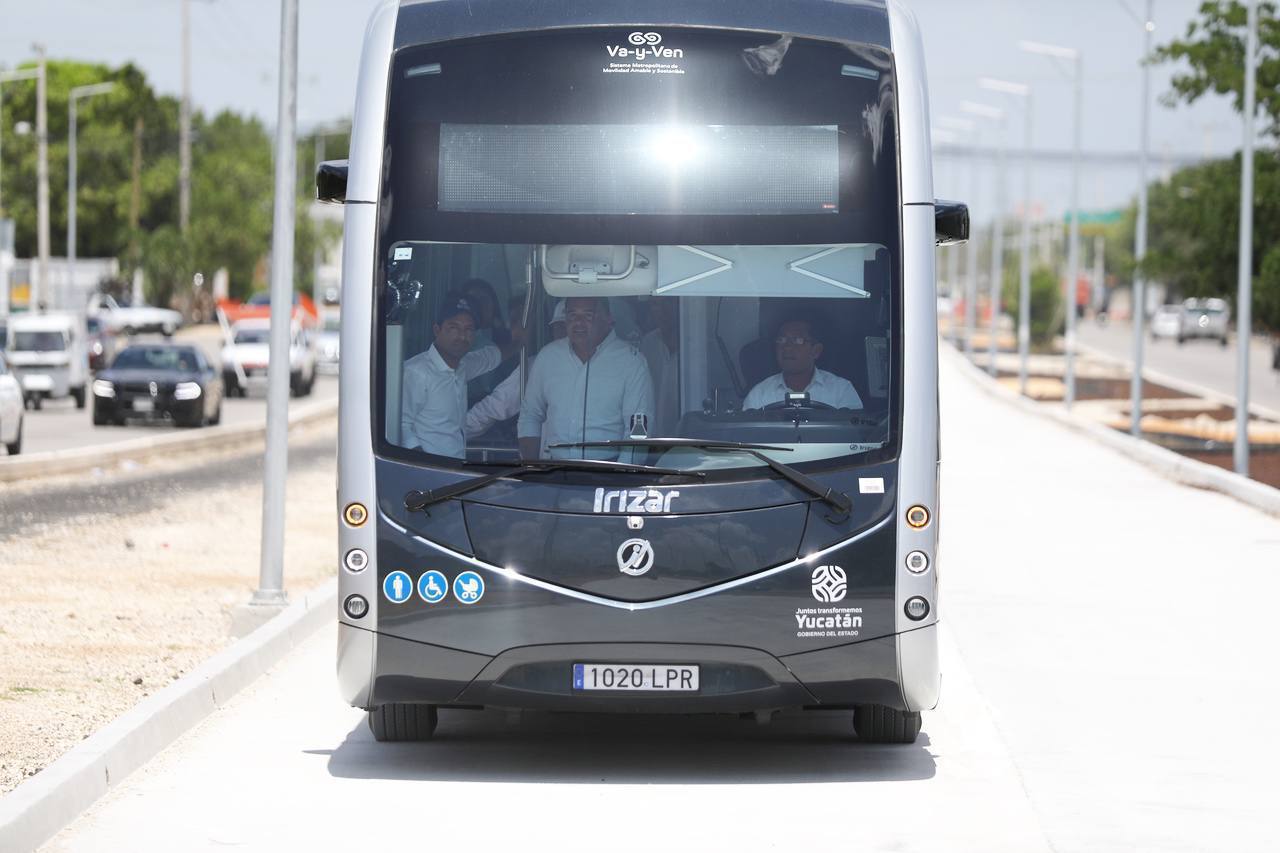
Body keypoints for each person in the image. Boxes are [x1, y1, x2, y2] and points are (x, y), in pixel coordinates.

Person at [517, 296, 653, 459]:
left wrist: (621, 476)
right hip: (554, 473)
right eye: (572, 315)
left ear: (608, 319)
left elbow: (637, 431)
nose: (578, 323)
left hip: (608, 472)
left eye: (588, 315)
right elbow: (530, 414)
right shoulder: (548, 357)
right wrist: (531, 467)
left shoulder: (632, 362)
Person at [400, 293, 521, 458]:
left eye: (468, 329)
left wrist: (519, 343)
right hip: (427, 472)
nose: (462, 336)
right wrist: (423, 464)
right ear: (437, 330)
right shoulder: (416, 372)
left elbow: (489, 357)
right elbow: (400, 424)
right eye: (453, 328)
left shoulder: (462, 365)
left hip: (455, 472)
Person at [464, 300, 567, 442]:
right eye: (561, 326)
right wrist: (448, 435)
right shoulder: (539, 364)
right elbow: (496, 406)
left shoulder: (607, 366)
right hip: (549, 459)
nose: (567, 332)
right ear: (552, 330)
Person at [741, 316, 862, 410]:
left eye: (798, 340)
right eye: (781, 340)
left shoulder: (841, 391)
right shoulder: (759, 394)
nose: (787, 347)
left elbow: (855, 436)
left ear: (816, 351)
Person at [639, 296, 680, 435]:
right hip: (653, 442)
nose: (662, 310)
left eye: (668, 302)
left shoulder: (698, 347)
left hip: (687, 441)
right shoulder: (648, 344)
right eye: (656, 305)